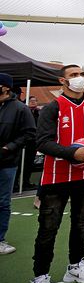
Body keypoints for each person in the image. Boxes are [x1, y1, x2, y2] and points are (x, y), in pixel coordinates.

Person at [30, 65, 84, 283]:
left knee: (81, 224)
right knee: (48, 228)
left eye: (81, 74)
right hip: (56, 177)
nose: (78, 78)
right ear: (62, 81)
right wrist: (71, 153)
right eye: (73, 75)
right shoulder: (53, 107)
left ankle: (75, 266)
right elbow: (42, 141)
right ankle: (40, 275)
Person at [0, 73, 36, 255]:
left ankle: (0, 239)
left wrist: (9, 148)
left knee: (2, 202)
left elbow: (30, 133)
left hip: (6, 162)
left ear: (5, 87)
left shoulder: (20, 108)